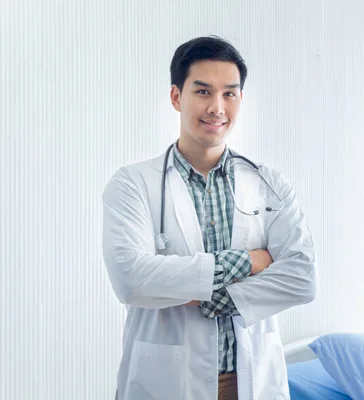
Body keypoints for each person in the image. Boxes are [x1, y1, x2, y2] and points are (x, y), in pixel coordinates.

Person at [102, 36, 318, 400]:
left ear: (240, 100)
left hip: (252, 381)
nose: (217, 107)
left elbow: (302, 278)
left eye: (229, 94)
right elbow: (131, 280)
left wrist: (200, 290)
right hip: (167, 382)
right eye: (202, 92)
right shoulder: (132, 184)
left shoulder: (269, 183)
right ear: (176, 97)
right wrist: (252, 261)